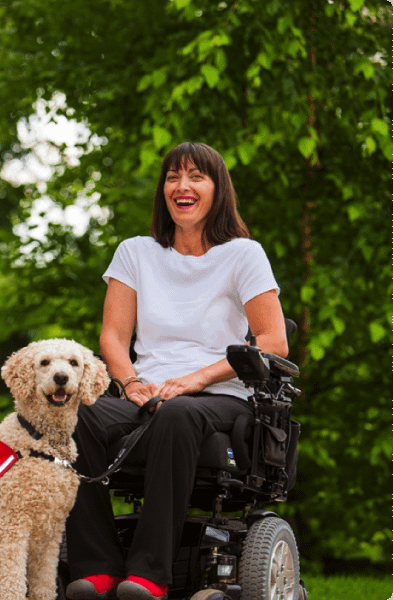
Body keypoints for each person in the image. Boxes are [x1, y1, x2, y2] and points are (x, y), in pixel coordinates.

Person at [65, 142, 288, 600]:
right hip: (145, 393)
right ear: (163, 190)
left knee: (176, 414)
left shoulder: (243, 255)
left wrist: (197, 379)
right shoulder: (135, 253)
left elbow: (273, 341)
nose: (182, 186)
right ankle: (97, 567)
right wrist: (128, 383)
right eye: (172, 177)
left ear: (217, 189)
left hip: (219, 396)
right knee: (73, 413)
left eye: (195, 176)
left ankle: (149, 576)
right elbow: (112, 337)